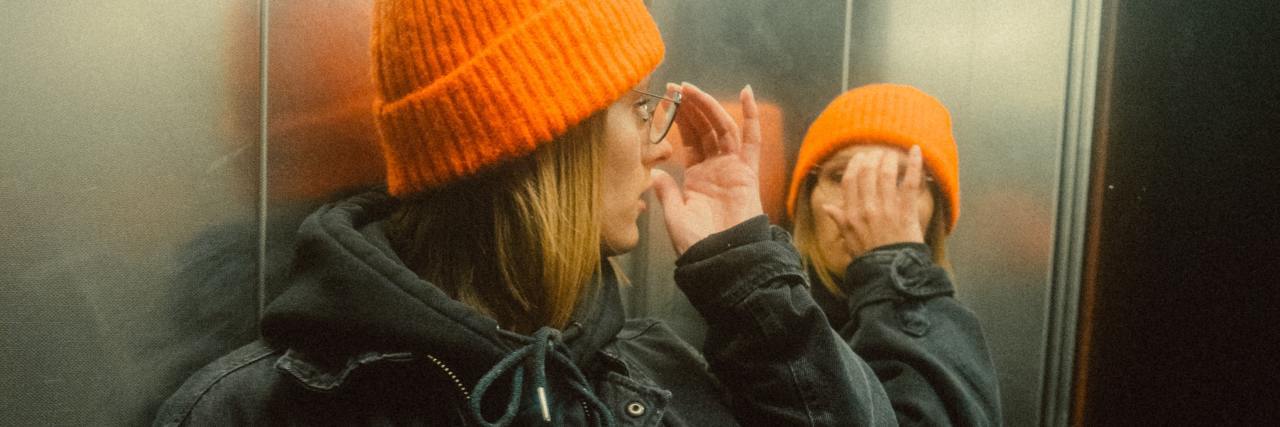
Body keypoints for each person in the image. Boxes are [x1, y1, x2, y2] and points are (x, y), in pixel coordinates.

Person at [154, 1, 965, 425]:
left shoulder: (660, 379)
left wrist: (749, 272)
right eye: (637, 106)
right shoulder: (256, 410)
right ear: (541, 137)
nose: (660, 148)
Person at [784, 83, 1003, 425]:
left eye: (901, 179)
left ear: (934, 213)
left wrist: (890, 271)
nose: (866, 204)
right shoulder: (770, 326)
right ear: (806, 202)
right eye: (840, 176)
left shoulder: (958, 335)